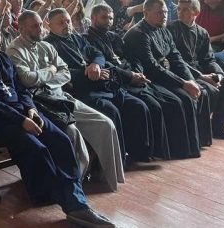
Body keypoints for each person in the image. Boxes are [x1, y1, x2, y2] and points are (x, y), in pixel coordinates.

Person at [0, 18, 114, 227]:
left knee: (61, 140)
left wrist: (31, 109)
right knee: (38, 149)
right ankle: (72, 205)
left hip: (23, 111)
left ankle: (76, 199)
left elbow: (21, 89)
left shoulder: (2, 58)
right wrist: (21, 120)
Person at [7, 11, 125, 192]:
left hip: (61, 95)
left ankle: (104, 175)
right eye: (35, 26)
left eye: (40, 24)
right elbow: (27, 79)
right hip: (41, 102)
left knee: (105, 123)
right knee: (72, 132)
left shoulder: (46, 46)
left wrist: (46, 79)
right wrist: (51, 70)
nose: (40, 29)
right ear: (22, 29)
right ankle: (73, 184)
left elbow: (66, 73)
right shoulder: (14, 49)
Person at [44, 9, 153, 164]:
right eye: (61, 23)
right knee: (111, 111)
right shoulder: (48, 45)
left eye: (67, 21)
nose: (66, 25)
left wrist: (96, 65)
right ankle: (117, 160)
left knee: (137, 105)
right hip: (82, 90)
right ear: (49, 25)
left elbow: (97, 53)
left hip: (102, 84)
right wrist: (88, 73)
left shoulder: (77, 37)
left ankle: (139, 153)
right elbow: (58, 72)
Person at [85, 4, 177, 160]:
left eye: (111, 18)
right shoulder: (87, 39)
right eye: (104, 17)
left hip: (132, 77)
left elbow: (132, 57)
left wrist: (138, 72)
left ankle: (152, 151)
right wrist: (130, 76)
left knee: (157, 103)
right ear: (93, 18)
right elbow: (107, 65)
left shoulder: (114, 37)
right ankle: (138, 153)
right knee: (144, 106)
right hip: (116, 81)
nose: (109, 21)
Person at [123, 0, 212, 156]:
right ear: (146, 13)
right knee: (179, 100)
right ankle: (179, 149)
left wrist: (191, 80)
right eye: (159, 13)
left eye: (165, 12)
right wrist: (183, 83)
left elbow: (176, 58)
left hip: (163, 74)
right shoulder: (139, 34)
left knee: (198, 92)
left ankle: (196, 143)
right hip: (147, 78)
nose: (164, 16)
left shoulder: (163, 29)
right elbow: (152, 67)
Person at [167, 0, 224, 138]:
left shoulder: (202, 32)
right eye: (178, 9)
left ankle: (217, 126)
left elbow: (208, 59)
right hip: (180, 71)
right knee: (210, 90)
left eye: (185, 10)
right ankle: (199, 132)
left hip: (200, 69)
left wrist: (218, 74)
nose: (180, 12)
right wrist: (202, 76)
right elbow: (175, 60)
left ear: (196, 13)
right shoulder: (171, 29)